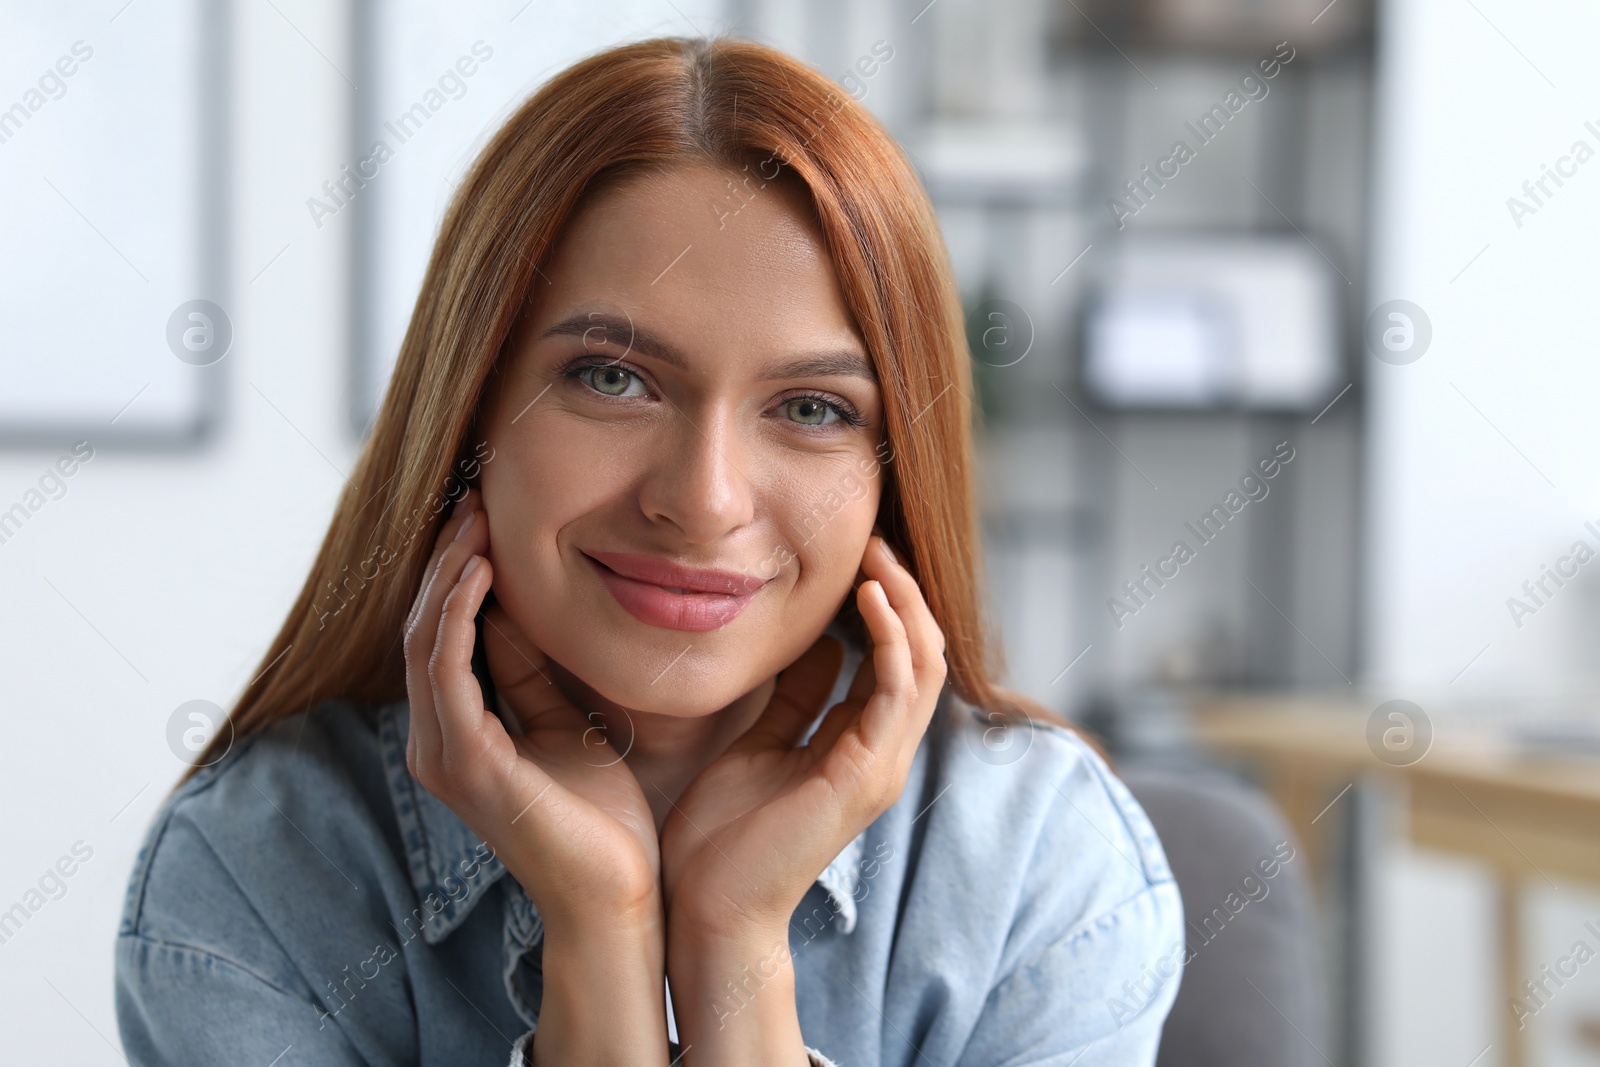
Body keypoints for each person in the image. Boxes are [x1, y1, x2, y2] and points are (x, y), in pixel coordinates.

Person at [114, 36, 1182, 1067]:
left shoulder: (1042, 862)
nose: (704, 500)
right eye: (611, 378)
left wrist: (737, 944)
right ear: (469, 411)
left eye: (811, 405)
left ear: (891, 471)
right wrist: (600, 932)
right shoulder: (254, 871)